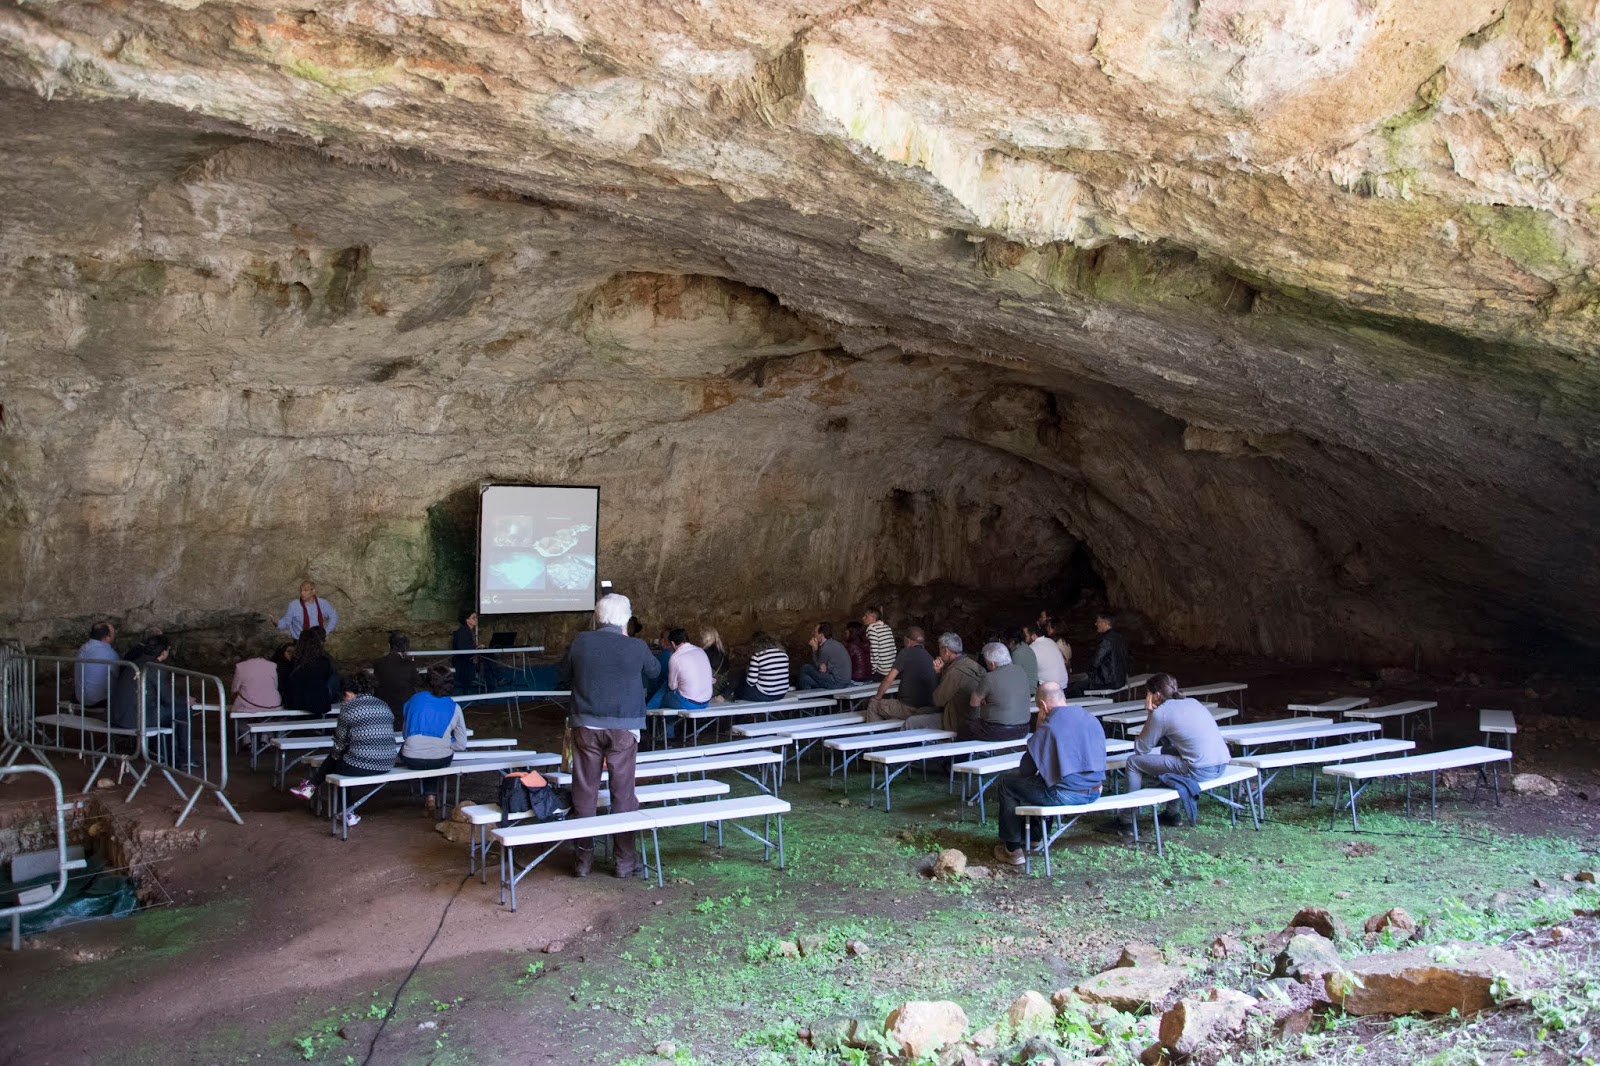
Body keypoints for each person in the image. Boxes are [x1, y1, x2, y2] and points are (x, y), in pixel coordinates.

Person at [559, 593, 661, 878]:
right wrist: (627, 639)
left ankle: (583, 860)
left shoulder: (580, 641)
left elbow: (563, 673)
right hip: (624, 728)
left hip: (586, 725)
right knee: (623, 792)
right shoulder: (636, 646)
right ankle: (624, 861)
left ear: (598, 616)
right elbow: (655, 671)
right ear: (625, 619)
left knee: (585, 790)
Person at [993, 683, 1106, 866]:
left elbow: (1026, 770)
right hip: (1095, 790)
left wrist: (1039, 728)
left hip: (1068, 794)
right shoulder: (1090, 718)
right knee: (1048, 779)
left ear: (1043, 708)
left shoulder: (1049, 728)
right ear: (1064, 699)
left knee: (1007, 783)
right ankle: (1035, 837)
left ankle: (1012, 849)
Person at [1123, 673, 1232, 826]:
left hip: (1199, 769)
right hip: (1221, 765)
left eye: (1147, 693)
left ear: (1156, 695)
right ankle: (1172, 814)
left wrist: (1151, 714)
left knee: (1133, 762)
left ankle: (1127, 820)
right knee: (1168, 751)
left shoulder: (1161, 713)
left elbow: (1141, 749)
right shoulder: (1193, 702)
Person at [290, 685, 397, 826]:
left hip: (362, 765)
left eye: (343, 697)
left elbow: (339, 743)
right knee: (344, 758)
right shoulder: (384, 705)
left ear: (348, 693)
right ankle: (312, 786)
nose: (343, 700)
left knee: (340, 760)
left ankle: (321, 792)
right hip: (387, 762)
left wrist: (334, 758)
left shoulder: (349, 708)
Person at [399, 665, 469, 816]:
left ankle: (428, 795)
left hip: (412, 758)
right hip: (440, 759)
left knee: (420, 754)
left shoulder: (413, 701)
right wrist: (444, 743)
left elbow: (405, 735)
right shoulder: (454, 707)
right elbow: (461, 744)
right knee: (434, 756)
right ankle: (431, 795)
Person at [864, 626, 938, 721]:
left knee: (873, 705)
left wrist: (877, 697)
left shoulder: (906, 652)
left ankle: (874, 735)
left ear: (908, 640)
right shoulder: (929, 657)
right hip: (927, 709)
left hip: (908, 708)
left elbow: (889, 679)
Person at [964, 642, 1033, 741]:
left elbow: (974, 702)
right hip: (1023, 729)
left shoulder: (989, 678)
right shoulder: (1021, 671)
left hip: (996, 730)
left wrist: (975, 719)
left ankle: (961, 757)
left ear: (992, 664)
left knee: (965, 728)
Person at [932, 633, 986, 733]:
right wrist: (942, 671)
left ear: (946, 651)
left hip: (959, 721)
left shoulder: (954, 672)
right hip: (979, 718)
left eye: (940, 649)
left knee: (911, 722)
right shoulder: (974, 664)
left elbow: (937, 700)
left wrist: (938, 674)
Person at [1067, 612, 1129, 696]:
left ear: (1105, 623)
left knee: (1076, 687)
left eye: (1098, 621)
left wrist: (1089, 673)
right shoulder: (1118, 637)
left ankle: (1083, 707)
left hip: (1108, 681)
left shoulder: (1106, 640)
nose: (1096, 624)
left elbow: (1095, 662)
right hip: (1120, 679)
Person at [283, 628, 337, 716]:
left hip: (295, 702)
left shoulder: (293, 661)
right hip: (319, 703)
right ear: (318, 643)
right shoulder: (324, 661)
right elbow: (327, 678)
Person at [664, 628, 714, 711]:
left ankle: (649, 715)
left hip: (689, 703)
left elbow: (672, 686)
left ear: (672, 643)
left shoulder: (675, 657)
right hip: (705, 702)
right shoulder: (701, 651)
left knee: (664, 696)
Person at [74, 621, 119, 710]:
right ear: (107, 637)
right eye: (113, 633)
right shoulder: (109, 653)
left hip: (80, 698)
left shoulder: (83, 648)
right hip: (99, 701)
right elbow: (118, 675)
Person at [733, 632, 790, 702]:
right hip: (781, 694)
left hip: (765, 695)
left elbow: (751, 682)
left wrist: (747, 673)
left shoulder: (758, 656)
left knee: (740, 686)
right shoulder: (784, 654)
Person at [231, 640, 283, 714]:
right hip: (274, 705)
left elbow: (234, 689)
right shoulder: (273, 665)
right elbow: (275, 685)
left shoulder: (240, 666)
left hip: (250, 707)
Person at [373, 632, 417, 718]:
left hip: (383, 706)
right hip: (403, 707)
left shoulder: (378, 663)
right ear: (406, 647)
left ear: (389, 645)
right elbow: (416, 682)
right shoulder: (409, 664)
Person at [799, 622, 853, 690]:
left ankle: (807, 698)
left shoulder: (826, 648)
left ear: (821, 635)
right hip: (843, 682)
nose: (813, 634)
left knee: (806, 667)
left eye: (815, 632)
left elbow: (818, 665)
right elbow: (822, 668)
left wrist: (814, 649)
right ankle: (810, 698)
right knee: (805, 679)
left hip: (837, 682)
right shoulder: (833, 643)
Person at [1026, 620, 1069, 689]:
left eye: (1026, 635)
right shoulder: (1050, 641)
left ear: (1033, 635)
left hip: (1049, 689)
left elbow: (1028, 672)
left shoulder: (1030, 648)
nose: (1024, 638)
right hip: (1063, 684)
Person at [452, 610, 482, 694]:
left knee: (488, 660)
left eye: (476, 617)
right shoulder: (463, 632)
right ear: (467, 620)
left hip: (467, 658)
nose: (476, 619)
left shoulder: (468, 631)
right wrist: (476, 648)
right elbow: (463, 647)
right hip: (463, 661)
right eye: (473, 618)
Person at [864, 608, 896, 679]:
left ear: (872, 617)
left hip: (881, 671)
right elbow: (893, 648)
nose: (863, 618)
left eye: (866, 616)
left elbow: (874, 652)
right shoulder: (887, 627)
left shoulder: (871, 629)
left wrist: (872, 670)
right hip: (891, 668)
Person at [1007, 627, 1040, 693]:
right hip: (1032, 687)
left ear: (1012, 641)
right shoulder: (1024, 646)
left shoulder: (1017, 653)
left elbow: (1013, 676)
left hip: (1027, 691)